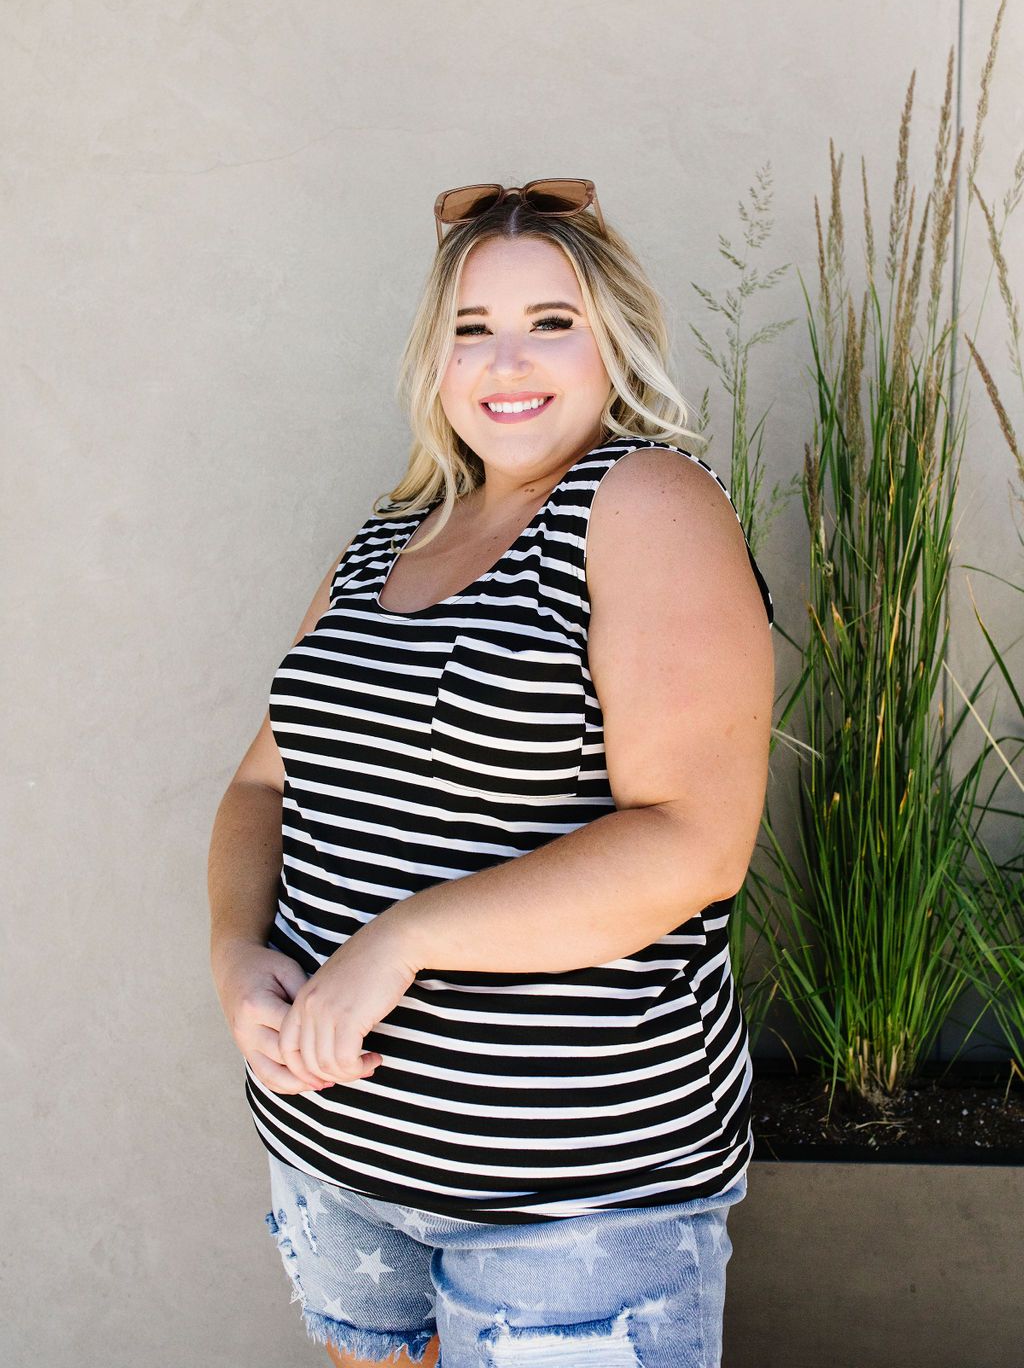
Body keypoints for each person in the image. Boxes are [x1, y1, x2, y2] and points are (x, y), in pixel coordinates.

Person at [208, 179, 776, 1368]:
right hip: (338, 1162)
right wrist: (233, 954)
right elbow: (264, 784)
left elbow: (692, 839)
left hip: (567, 1199)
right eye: (472, 328)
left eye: (550, 321)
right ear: (435, 356)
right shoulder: (393, 529)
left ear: (613, 337)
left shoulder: (643, 501)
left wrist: (401, 940)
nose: (505, 360)